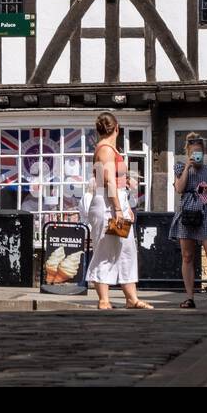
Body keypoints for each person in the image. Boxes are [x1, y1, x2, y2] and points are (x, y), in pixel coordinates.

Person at [86, 112, 152, 309]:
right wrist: (117, 208)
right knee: (106, 249)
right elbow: (108, 181)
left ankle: (131, 299)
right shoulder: (105, 149)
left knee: (126, 250)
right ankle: (104, 300)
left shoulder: (110, 149)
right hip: (107, 204)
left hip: (115, 202)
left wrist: (125, 206)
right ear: (117, 128)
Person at [170, 133, 207, 308]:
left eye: (199, 153)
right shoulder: (181, 168)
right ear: (188, 152)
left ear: (204, 152)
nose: (196, 156)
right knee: (187, 256)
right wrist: (187, 167)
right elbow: (179, 189)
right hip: (187, 212)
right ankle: (190, 298)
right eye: (193, 153)